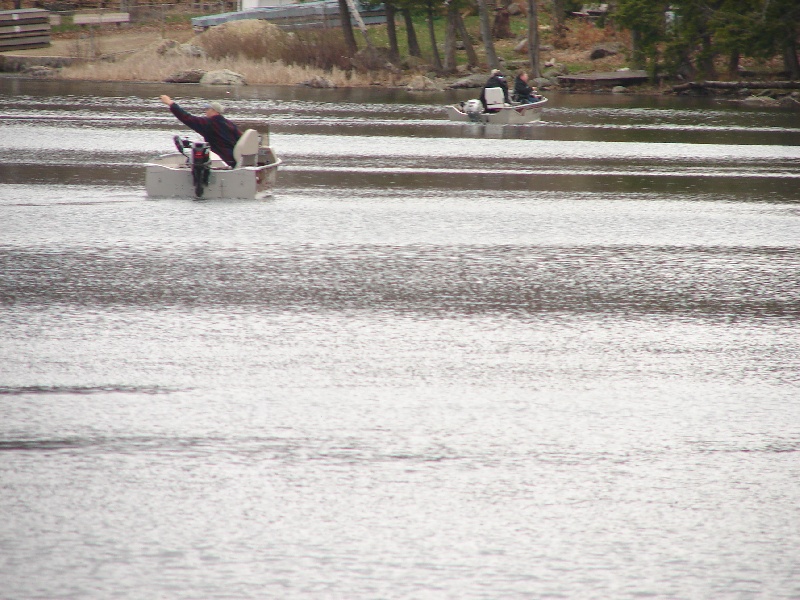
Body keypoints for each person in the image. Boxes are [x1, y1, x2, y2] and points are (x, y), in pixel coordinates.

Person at [159, 95, 242, 167]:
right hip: (234, 160)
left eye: (207, 109)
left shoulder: (209, 123)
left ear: (214, 111)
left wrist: (171, 103)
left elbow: (187, 118)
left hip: (221, 161)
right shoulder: (230, 124)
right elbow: (239, 140)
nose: (205, 111)